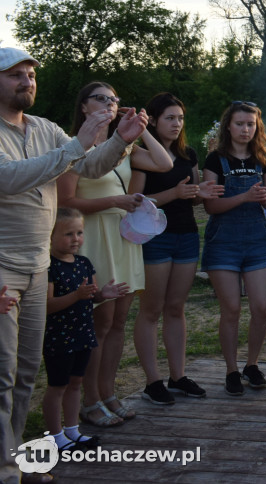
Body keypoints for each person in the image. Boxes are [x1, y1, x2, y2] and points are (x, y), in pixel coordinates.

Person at [0, 46, 148, 484]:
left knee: (26, 372)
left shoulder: (44, 128)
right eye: (14, 75)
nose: (27, 81)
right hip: (3, 268)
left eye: (30, 74)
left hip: (38, 266)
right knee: (2, 375)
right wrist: (78, 144)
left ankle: (13, 463)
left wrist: (120, 139)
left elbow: (87, 164)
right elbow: (11, 178)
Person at [57, 82, 174, 427]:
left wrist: (141, 129)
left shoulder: (122, 148)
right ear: (83, 106)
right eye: (101, 99)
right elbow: (65, 202)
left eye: (114, 100)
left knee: (119, 320)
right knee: (100, 322)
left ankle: (108, 393)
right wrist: (114, 202)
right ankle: (89, 401)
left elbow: (164, 163)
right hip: (92, 237)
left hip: (123, 239)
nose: (109, 105)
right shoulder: (71, 147)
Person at [129, 93, 223, 406]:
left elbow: (193, 197)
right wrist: (175, 192)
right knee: (151, 310)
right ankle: (152, 381)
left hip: (186, 234)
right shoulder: (141, 154)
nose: (176, 124)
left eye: (180, 118)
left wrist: (200, 193)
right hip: (156, 237)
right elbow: (135, 201)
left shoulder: (188, 153)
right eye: (170, 118)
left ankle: (178, 376)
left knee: (176, 308)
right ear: (153, 120)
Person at [201, 100, 266, 396]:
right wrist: (244, 197)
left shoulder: (263, 158)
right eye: (240, 124)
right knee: (231, 308)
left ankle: (252, 364)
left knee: (262, 307)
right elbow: (210, 206)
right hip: (223, 242)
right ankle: (231, 370)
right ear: (228, 127)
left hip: (256, 239)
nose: (246, 129)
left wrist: (263, 199)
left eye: (250, 124)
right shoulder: (214, 160)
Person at [43, 208, 129, 452]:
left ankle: (72, 431)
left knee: (75, 383)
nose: (76, 239)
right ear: (49, 236)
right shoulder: (49, 266)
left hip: (83, 333)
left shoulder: (83, 263)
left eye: (79, 233)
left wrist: (103, 294)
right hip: (59, 337)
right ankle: (55, 435)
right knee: (57, 386)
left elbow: (89, 297)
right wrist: (76, 295)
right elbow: (48, 305)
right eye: (68, 234)